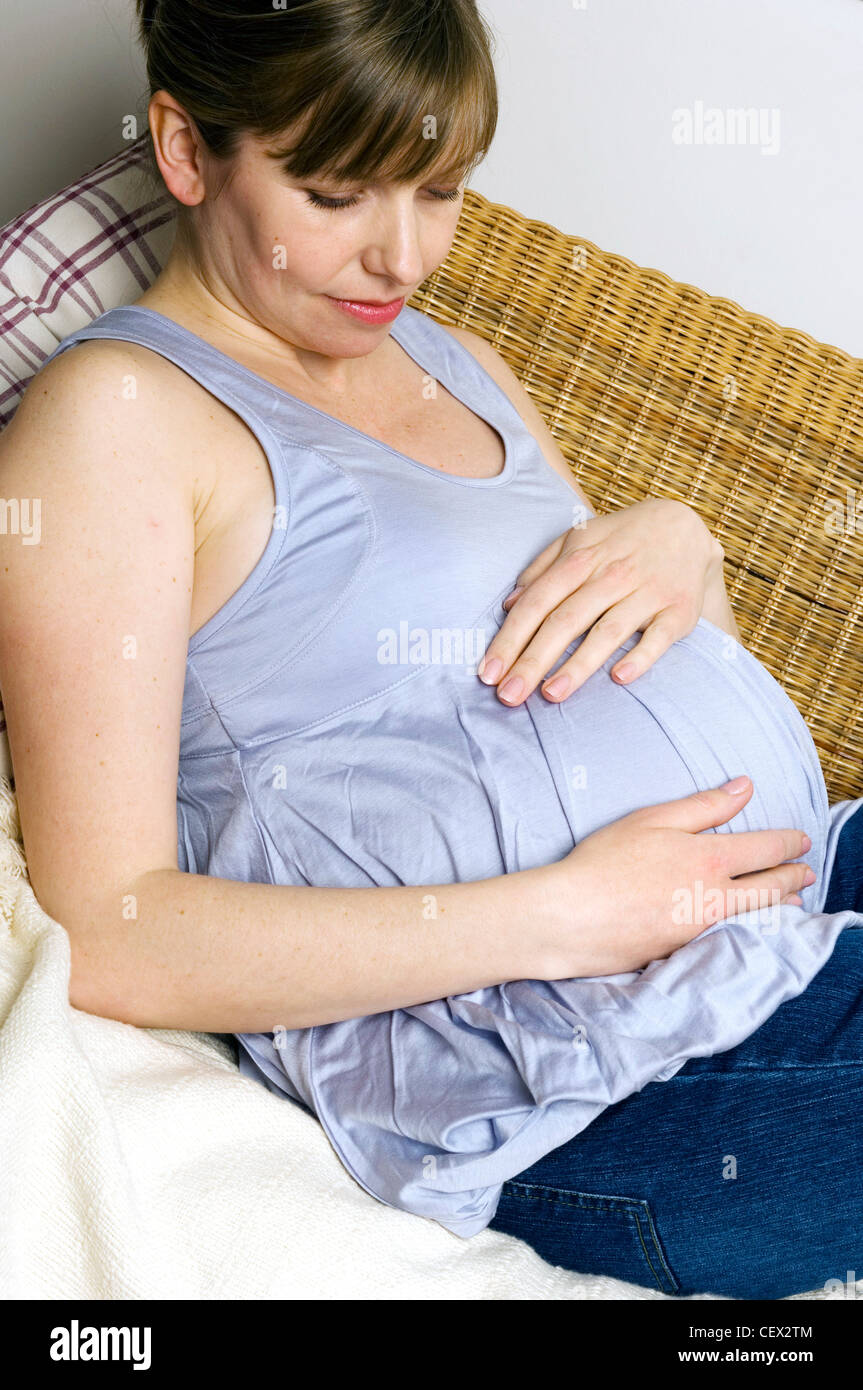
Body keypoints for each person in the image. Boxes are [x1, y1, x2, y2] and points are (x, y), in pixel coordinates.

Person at [0, 0, 859, 1300]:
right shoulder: (113, 423)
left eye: (440, 187)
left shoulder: (458, 359)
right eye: (338, 191)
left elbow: (629, 661)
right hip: (602, 1067)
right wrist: (564, 914)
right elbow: (109, 926)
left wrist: (688, 545)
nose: (401, 254)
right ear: (184, 150)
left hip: (796, 892)